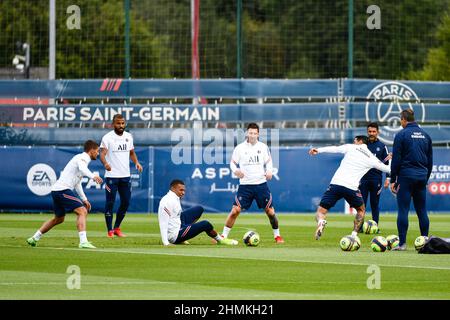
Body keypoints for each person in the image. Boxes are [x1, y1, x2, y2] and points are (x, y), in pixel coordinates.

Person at [309, 136, 391, 240]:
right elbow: (388, 169)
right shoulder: (371, 157)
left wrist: (318, 150)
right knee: (361, 210)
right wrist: (392, 160)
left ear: (360, 141)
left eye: (355, 140)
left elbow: (335, 148)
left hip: (336, 184)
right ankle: (354, 235)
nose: (354, 142)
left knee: (321, 212)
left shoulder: (351, 147)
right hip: (351, 188)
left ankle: (321, 222)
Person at [26, 140, 103, 249]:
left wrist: (84, 199)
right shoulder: (83, 158)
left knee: (59, 219)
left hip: (57, 191)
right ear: (91, 151)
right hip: (62, 190)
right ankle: (83, 242)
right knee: (82, 211)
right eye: (97, 151)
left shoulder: (82, 159)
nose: (98, 153)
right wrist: (93, 176)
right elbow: (82, 168)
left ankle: (34, 238)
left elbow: (77, 183)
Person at [221, 123, 284, 243]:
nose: (253, 135)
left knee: (270, 212)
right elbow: (232, 163)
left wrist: (269, 171)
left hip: (261, 185)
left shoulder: (263, 147)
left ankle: (277, 236)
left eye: (255, 133)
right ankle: (223, 236)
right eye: (250, 133)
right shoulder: (240, 148)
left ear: (258, 134)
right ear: (247, 133)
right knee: (235, 211)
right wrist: (236, 171)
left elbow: (269, 162)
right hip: (245, 186)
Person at [390, 109, 433, 251]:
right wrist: (425, 178)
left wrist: (393, 179)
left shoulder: (401, 135)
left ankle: (402, 244)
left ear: (403, 119)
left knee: (403, 210)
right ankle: (425, 242)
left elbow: (396, 160)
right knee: (422, 210)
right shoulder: (426, 135)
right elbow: (430, 161)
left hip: (406, 177)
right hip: (421, 176)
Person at [158, 180, 238, 246]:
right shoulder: (167, 201)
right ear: (173, 189)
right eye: (181, 190)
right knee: (205, 224)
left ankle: (186, 232)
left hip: (179, 224)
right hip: (174, 235)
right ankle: (220, 240)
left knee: (199, 209)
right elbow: (163, 223)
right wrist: (166, 243)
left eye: (184, 190)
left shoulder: (175, 197)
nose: (183, 193)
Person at [100, 114, 143, 238]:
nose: (121, 126)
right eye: (118, 123)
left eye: (123, 123)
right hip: (112, 176)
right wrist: (105, 164)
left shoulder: (128, 137)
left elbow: (132, 152)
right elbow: (102, 154)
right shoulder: (107, 137)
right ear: (113, 124)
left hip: (125, 176)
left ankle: (117, 227)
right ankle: (109, 231)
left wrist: (137, 162)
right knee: (110, 203)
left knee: (126, 202)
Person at [358, 122, 391, 231]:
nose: (371, 133)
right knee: (361, 205)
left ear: (378, 132)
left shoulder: (382, 146)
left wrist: (387, 178)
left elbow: (387, 162)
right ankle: (359, 227)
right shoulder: (362, 146)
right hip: (363, 179)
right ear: (367, 132)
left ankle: (375, 227)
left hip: (376, 180)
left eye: (374, 131)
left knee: (374, 204)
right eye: (370, 131)